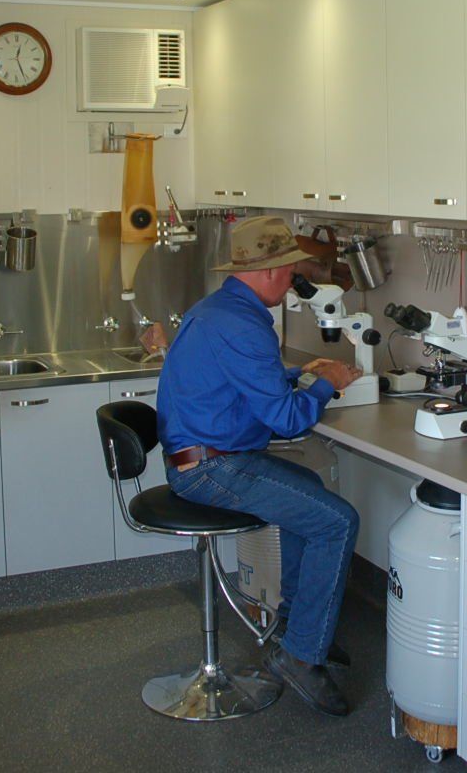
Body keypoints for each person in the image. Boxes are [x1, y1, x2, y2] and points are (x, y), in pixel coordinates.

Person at [156, 215, 364, 716]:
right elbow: (288, 420)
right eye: (291, 270)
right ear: (272, 270)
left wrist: (298, 371)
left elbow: (243, 379)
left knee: (309, 487)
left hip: (196, 457)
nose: (294, 279)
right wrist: (329, 382)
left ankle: (298, 630)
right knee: (338, 521)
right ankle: (300, 656)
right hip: (209, 470)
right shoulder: (245, 325)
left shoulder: (219, 309)